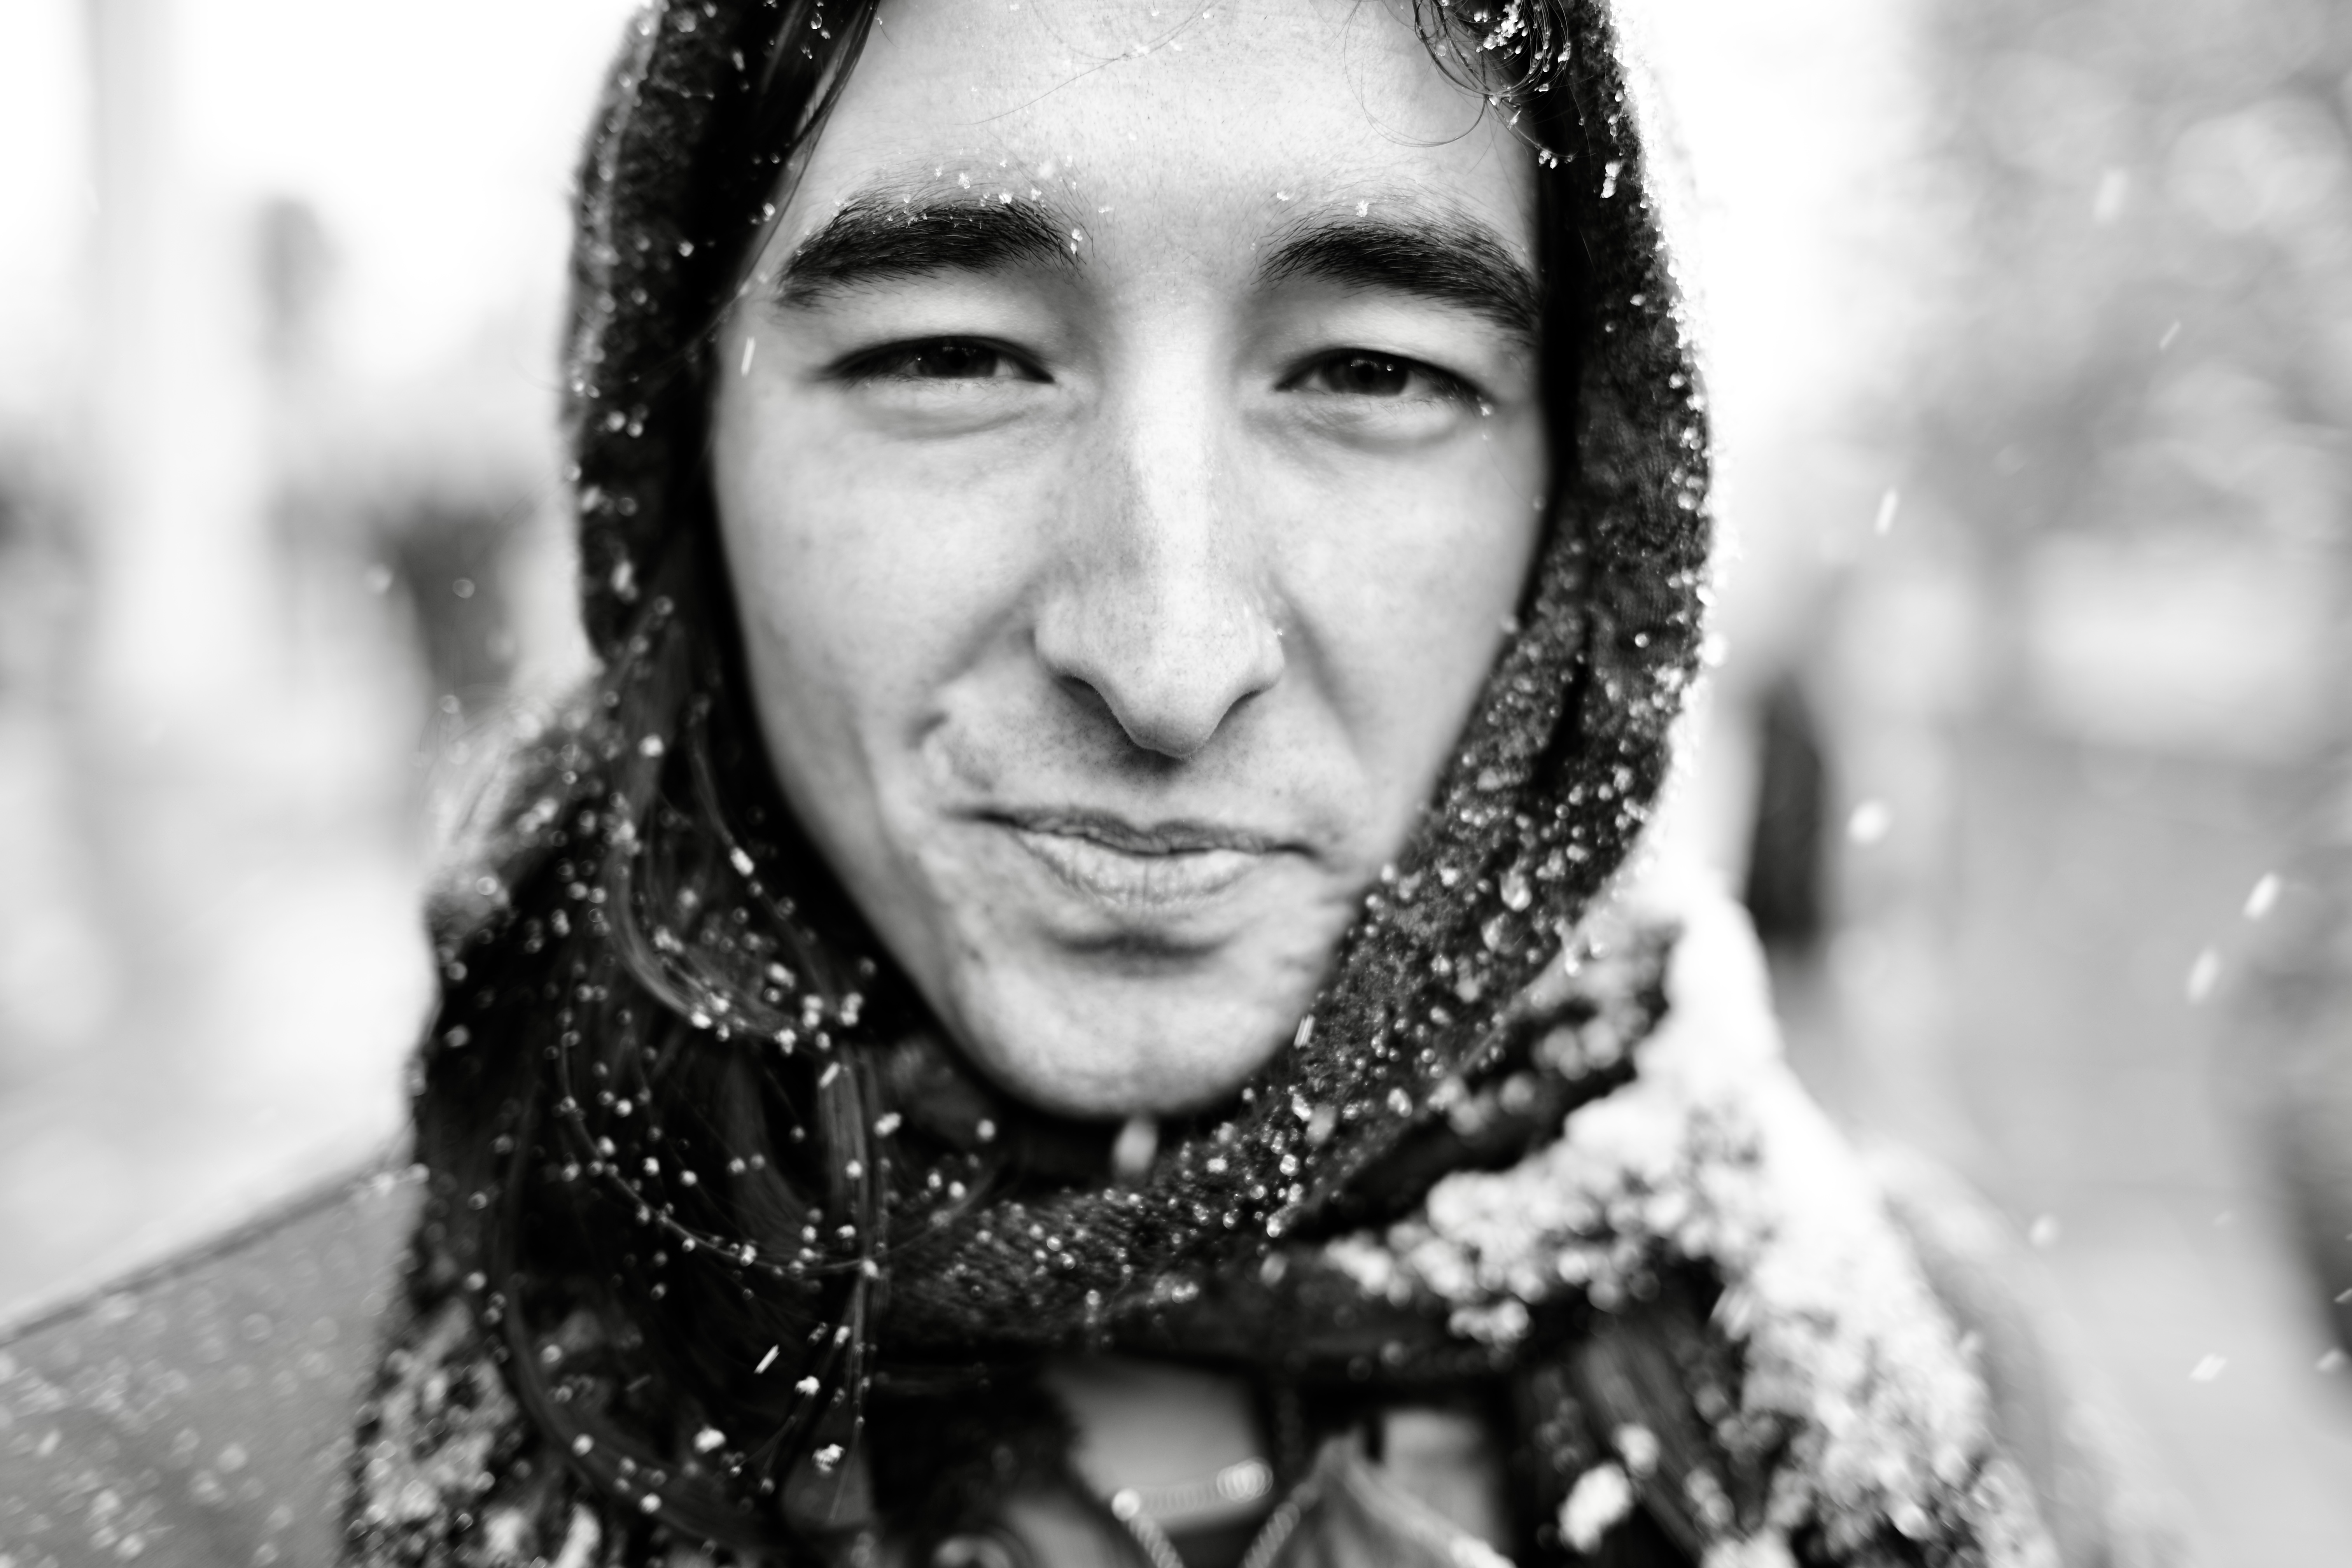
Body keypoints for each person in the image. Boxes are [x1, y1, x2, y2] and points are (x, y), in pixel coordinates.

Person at [1, 2, 2165, 1565]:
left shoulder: (1950, 1397)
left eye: (1378, 375)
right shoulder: (138, 1492)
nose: (1162, 650)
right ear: (681, 465)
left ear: (1585, 519)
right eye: (950, 357)